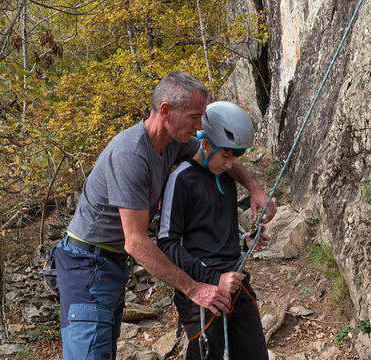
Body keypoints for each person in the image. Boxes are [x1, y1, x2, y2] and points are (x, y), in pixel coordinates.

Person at [54, 72, 276, 360]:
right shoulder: (131, 155)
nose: (200, 127)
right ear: (166, 111)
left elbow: (219, 156)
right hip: (86, 266)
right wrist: (196, 288)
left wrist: (255, 189)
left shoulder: (173, 141)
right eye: (194, 117)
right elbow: (136, 243)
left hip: (111, 266)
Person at [158, 101, 269, 360]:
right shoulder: (182, 179)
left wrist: (244, 240)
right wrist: (210, 279)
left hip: (235, 281)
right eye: (226, 155)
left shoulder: (225, 178)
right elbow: (167, 242)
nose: (230, 165)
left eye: (235, 157)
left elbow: (218, 229)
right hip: (201, 290)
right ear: (205, 144)